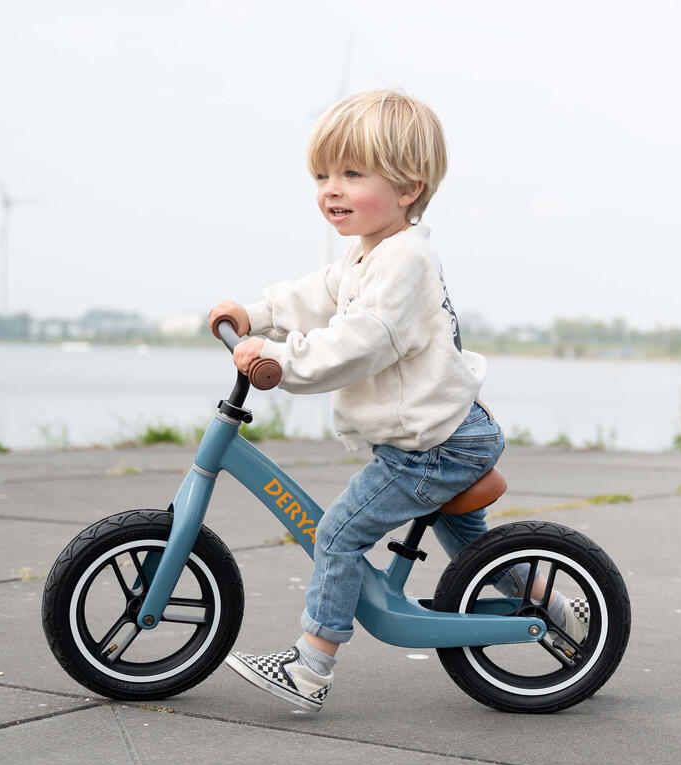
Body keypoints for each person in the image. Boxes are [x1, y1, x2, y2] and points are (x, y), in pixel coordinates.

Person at [208, 89, 586, 712]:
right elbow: (319, 292)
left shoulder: (404, 260)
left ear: (408, 188)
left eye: (353, 174)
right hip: (444, 433)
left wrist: (283, 360)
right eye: (324, 174)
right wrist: (257, 313)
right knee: (473, 549)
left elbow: (361, 342)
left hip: (431, 447)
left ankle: (309, 668)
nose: (332, 188)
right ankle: (558, 605)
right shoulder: (371, 253)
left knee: (336, 534)